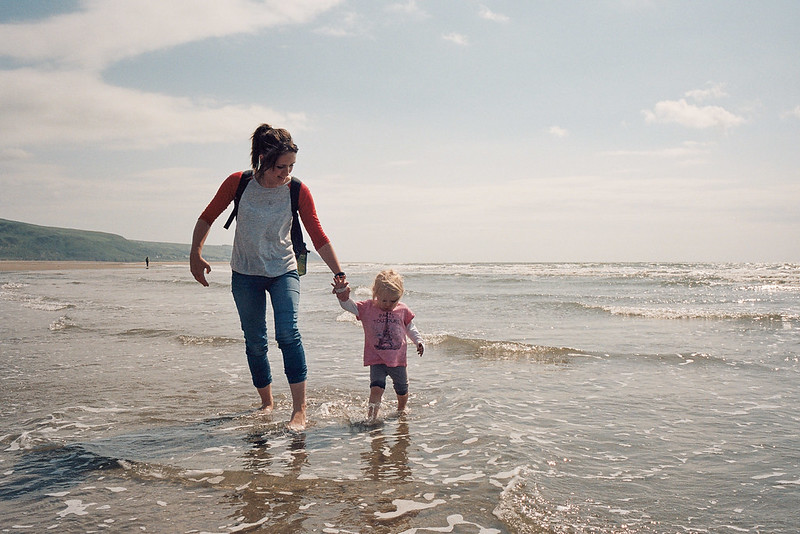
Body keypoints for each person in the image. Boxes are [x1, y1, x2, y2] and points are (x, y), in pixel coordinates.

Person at [190, 123, 346, 431]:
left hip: (283, 270)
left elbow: (318, 235)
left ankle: (299, 410)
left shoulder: (297, 190)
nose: (286, 173)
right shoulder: (238, 183)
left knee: (288, 333)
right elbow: (207, 216)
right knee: (255, 342)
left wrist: (339, 273)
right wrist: (195, 253)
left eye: (291, 166)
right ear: (262, 159)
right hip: (246, 272)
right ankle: (267, 402)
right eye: (280, 167)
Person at [332, 269, 423, 422]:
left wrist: (419, 341)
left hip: (397, 359)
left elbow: (410, 328)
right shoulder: (367, 307)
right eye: (383, 300)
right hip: (376, 358)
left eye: (393, 301)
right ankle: (371, 419)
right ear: (375, 294)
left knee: (402, 389)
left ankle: (401, 410)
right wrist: (342, 293)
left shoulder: (403, 310)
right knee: (376, 388)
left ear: (399, 296)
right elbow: (348, 306)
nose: (388, 305)